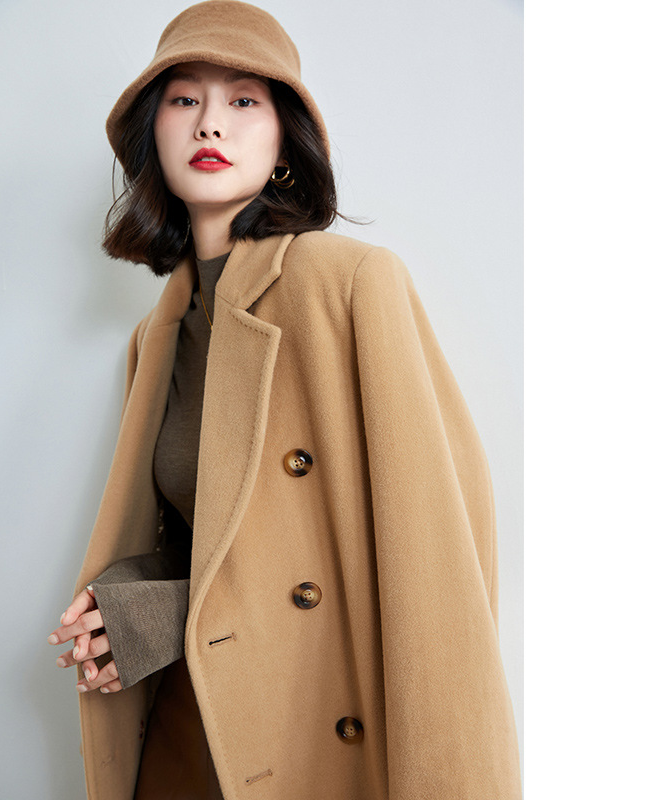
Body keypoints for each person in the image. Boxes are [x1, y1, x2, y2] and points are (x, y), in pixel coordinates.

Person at [46, 1, 523, 798]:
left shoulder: (349, 285)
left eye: (243, 100)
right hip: (192, 739)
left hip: (312, 739)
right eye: (184, 98)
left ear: (284, 142)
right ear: (151, 133)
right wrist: (132, 606)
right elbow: (215, 541)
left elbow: (438, 561)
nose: (210, 123)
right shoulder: (154, 337)